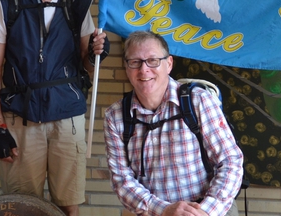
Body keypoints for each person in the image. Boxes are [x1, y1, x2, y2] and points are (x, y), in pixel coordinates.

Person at [0, 0, 109, 216]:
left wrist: (96, 53)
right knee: (23, 206)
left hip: (68, 118)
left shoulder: (76, 4)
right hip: (22, 119)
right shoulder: (6, 5)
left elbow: (87, 67)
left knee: (68, 205)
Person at [104, 31, 243, 216]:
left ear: (169, 64)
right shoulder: (115, 116)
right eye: (135, 62)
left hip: (208, 208)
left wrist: (205, 212)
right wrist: (165, 210)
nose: (144, 70)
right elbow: (122, 180)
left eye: (153, 60)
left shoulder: (198, 101)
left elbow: (230, 162)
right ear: (126, 67)